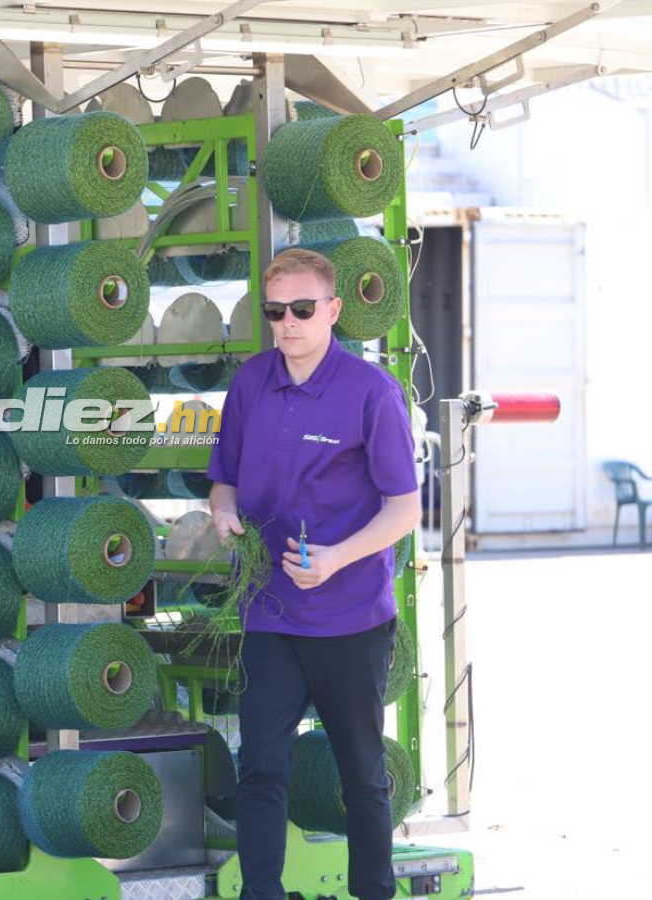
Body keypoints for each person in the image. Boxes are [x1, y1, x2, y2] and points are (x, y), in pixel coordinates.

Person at [207, 248, 421, 900]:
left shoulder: (372, 393)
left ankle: (373, 893)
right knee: (261, 766)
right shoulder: (250, 383)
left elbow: (406, 510)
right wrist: (221, 510)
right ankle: (261, 893)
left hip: (352, 618)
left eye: (303, 309)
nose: (288, 323)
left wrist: (334, 559)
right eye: (276, 311)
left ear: (333, 309)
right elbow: (224, 477)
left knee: (361, 772)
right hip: (271, 613)